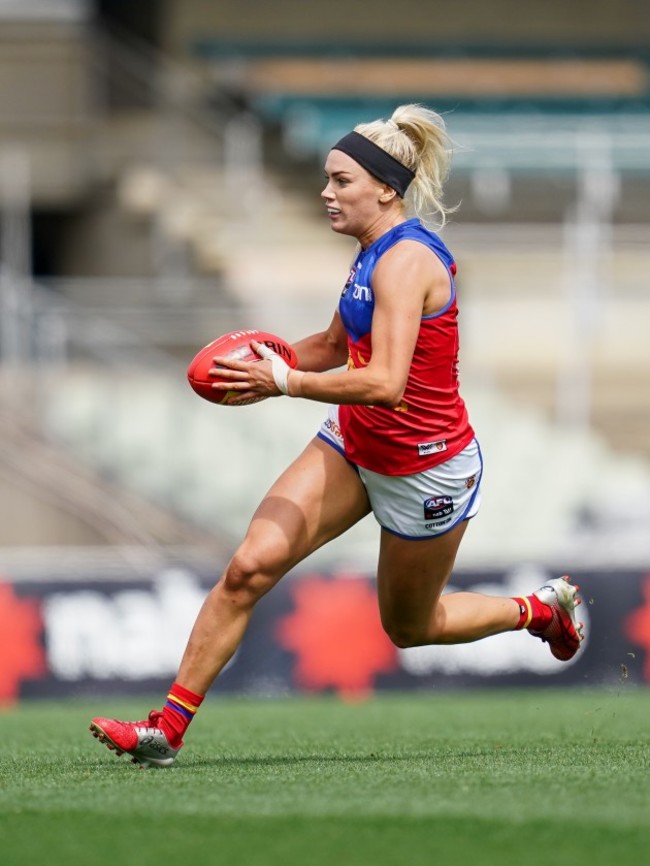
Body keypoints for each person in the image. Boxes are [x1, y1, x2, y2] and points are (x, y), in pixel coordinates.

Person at [90, 103, 584, 768]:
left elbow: (385, 382)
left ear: (385, 189)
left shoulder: (405, 263)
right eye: (327, 178)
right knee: (247, 569)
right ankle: (166, 731)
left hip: (425, 469)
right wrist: (252, 369)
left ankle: (540, 611)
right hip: (354, 444)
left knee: (412, 627)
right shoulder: (370, 253)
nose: (326, 192)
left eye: (341, 180)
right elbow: (329, 346)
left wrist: (284, 383)